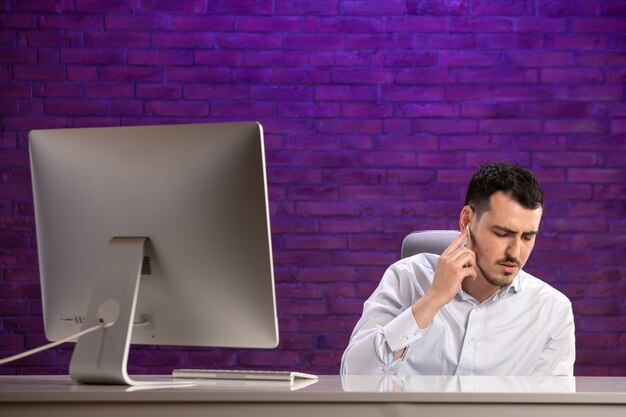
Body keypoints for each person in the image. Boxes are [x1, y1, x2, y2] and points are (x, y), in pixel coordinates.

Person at [341, 162, 575, 376]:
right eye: (502, 234)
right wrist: (433, 299)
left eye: (528, 237)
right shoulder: (407, 277)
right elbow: (353, 374)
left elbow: (552, 406)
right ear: (466, 221)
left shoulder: (552, 310)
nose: (515, 252)